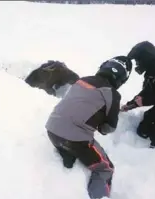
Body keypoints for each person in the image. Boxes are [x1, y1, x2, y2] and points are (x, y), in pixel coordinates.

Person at [45, 56, 132, 199]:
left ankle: (67, 152)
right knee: (106, 169)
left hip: (52, 130)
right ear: (121, 79)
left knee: (70, 138)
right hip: (75, 141)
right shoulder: (113, 94)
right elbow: (108, 128)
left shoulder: (82, 80)